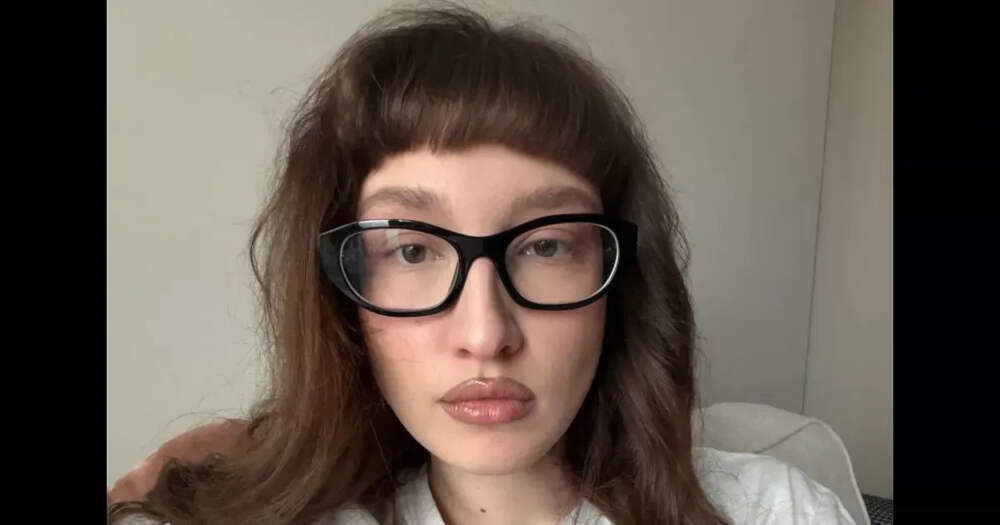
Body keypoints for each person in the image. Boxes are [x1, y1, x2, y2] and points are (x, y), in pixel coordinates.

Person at [108, 3, 855, 524]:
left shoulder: (775, 513)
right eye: (412, 249)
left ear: (619, 279)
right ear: (341, 294)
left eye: (546, 245)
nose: (486, 334)